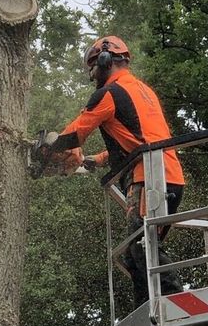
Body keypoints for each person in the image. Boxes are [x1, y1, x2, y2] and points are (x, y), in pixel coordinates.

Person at [48, 35, 185, 306]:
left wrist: (49, 152)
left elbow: (75, 133)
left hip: (149, 179)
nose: (92, 75)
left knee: (142, 247)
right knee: (139, 252)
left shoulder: (109, 93)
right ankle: (150, 309)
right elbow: (141, 138)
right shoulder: (142, 91)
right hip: (170, 177)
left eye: (93, 67)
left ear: (105, 59)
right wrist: (97, 160)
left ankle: (175, 307)